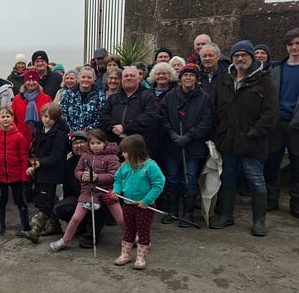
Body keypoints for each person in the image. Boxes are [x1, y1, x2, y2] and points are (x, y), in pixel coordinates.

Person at [210, 41, 278, 236]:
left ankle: (259, 221)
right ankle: (226, 216)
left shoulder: (265, 81)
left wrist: (254, 134)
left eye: (244, 55)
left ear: (252, 57)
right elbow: (216, 110)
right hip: (228, 141)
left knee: (256, 180)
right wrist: (219, 134)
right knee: (227, 179)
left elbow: (270, 114)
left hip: (252, 142)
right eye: (236, 55)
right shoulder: (224, 80)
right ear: (231, 58)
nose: (240, 58)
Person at [264, 28, 299, 219]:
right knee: (272, 163)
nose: (294, 47)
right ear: (286, 47)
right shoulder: (276, 68)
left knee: (298, 165)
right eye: (290, 44)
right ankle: (272, 198)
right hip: (277, 123)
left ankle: (297, 202)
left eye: (297, 43)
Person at [50, 129, 125, 252]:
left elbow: (114, 175)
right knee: (76, 218)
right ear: (89, 144)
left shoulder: (112, 157)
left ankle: (132, 237)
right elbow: (77, 171)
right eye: (92, 143)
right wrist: (81, 176)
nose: (95, 146)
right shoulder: (85, 156)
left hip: (107, 193)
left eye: (98, 143)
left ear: (104, 143)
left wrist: (97, 177)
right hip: (88, 192)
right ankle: (64, 240)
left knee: (120, 218)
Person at [159, 64, 213, 227]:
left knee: (189, 179)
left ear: (196, 78)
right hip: (172, 145)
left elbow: (206, 122)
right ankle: (173, 211)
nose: (188, 78)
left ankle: (188, 214)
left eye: (191, 75)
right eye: (185, 75)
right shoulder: (170, 96)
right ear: (180, 78)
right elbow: (163, 118)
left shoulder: (205, 98)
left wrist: (188, 136)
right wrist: (173, 135)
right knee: (172, 178)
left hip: (193, 147)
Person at [109, 134, 165, 270]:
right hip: (128, 204)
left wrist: (146, 201)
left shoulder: (150, 166)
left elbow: (159, 183)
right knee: (129, 230)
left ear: (134, 151)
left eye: (124, 152)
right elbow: (118, 180)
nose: (122, 154)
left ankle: (141, 257)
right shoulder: (124, 166)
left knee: (143, 231)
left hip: (145, 207)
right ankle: (126, 254)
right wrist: (116, 191)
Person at [20, 103, 68, 243]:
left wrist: (38, 164)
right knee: (46, 198)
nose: (46, 119)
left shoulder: (59, 134)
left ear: (56, 119)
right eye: (44, 116)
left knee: (45, 200)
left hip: (52, 172)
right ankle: (54, 225)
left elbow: (56, 157)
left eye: (50, 117)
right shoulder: (41, 130)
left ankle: (36, 231)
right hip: (41, 170)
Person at [0, 106, 29, 236]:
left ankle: (25, 225)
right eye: (3, 116)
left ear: (12, 118)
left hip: (16, 175)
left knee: (20, 200)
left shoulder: (19, 137)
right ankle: (1, 224)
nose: (5, 119)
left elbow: (24, 156)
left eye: (8, 116)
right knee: (0, 200)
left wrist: (25, 174)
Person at [100, 66, 156, 144]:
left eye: (132, 76)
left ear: (139, 79)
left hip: (138, 145)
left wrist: (125, 128)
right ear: (122, 80)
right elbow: (103, 116)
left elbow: (149, 117)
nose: (129, 78)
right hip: (115, 144)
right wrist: (116, 128)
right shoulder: (113, 98)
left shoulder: (148, 97)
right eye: (126, 76)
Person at [11, 69, 52, 149]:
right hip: (21, 138)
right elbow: (12, 119)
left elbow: (51, 119)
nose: (31, 83)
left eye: (34, 80)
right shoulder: (17, 99)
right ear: (24, 82)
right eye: (28, 80)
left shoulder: (46, 98)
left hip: (41, 139)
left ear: (38, 82)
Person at [60, 66, 104, 133]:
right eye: (83, 77)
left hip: (91, 136)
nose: (86, 79)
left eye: (89, 77)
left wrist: (84, 132)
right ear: (78, 78)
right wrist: (72, 132)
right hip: (70, 134)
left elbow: (100, 118)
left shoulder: (100, 96)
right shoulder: (68, 94)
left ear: (94, 79)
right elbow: (63, 115)